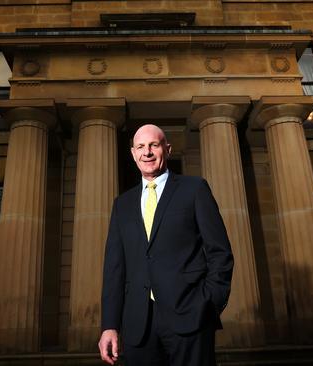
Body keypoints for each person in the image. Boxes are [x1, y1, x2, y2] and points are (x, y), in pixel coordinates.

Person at [98, 124, 233, 366]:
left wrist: (209, 303)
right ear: (133, 153)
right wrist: (109, 325)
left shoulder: (194, 189)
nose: (147, 152)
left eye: (154, 145)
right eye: (140, 147)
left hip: (190, 317)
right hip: (138, 325)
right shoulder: (122, 204)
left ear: (167, 149)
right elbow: (114, 269)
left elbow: (220, 252)